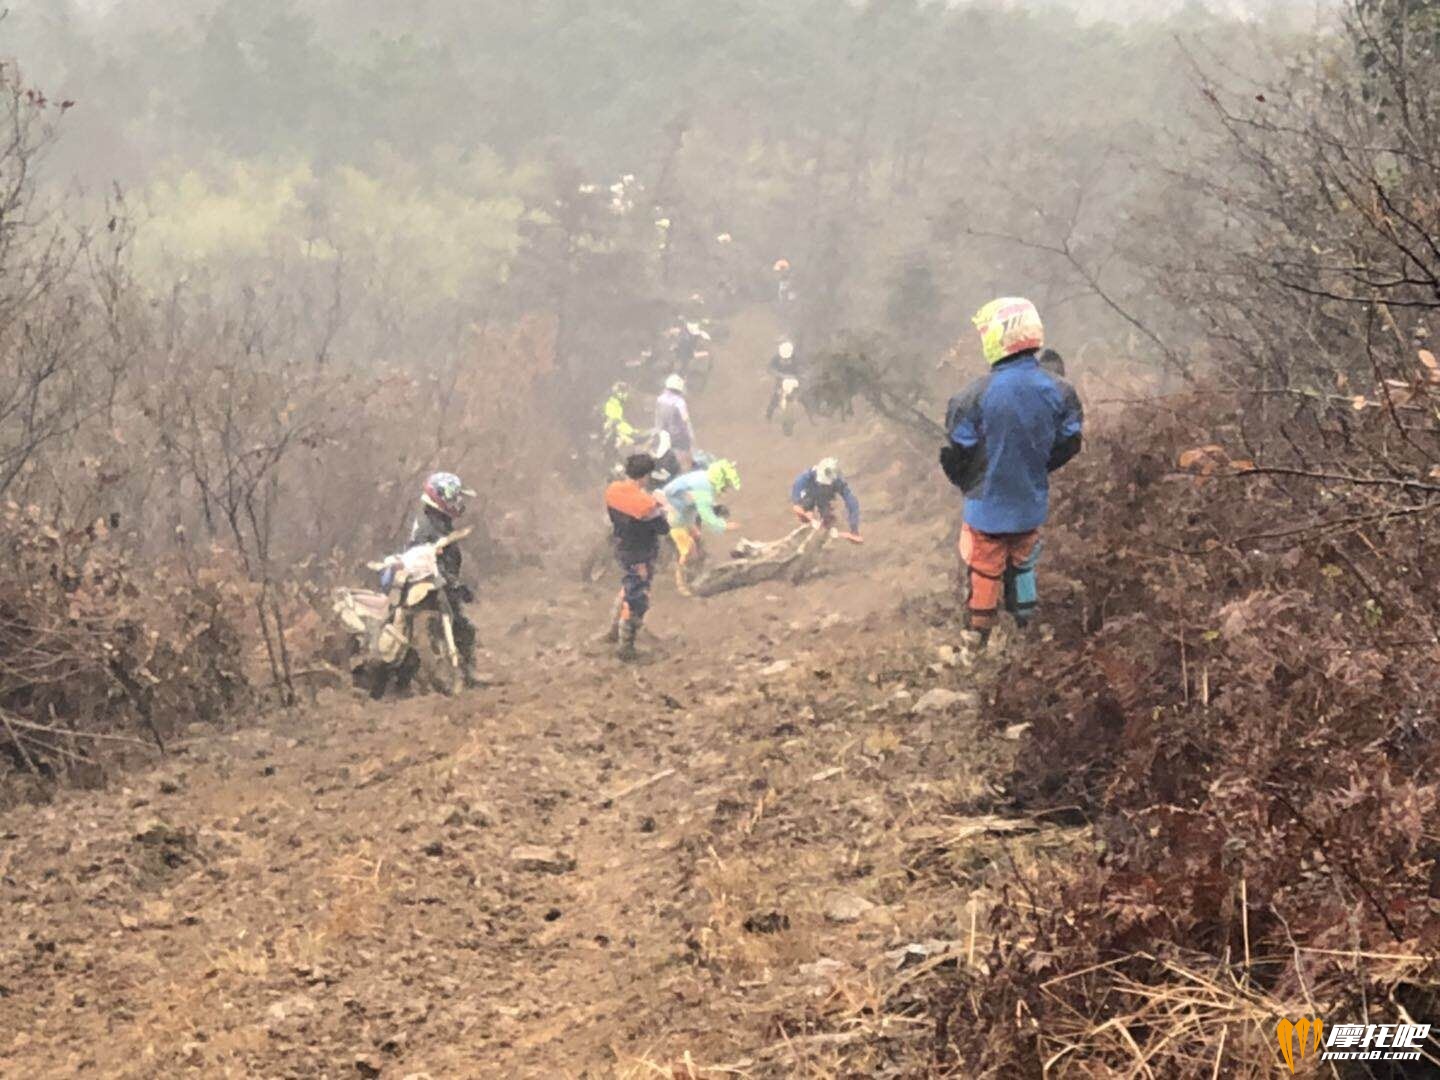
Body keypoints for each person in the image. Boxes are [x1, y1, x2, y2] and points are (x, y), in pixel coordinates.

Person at [940, 297, 1083, 641]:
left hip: (986, 500)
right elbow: (1070, 440)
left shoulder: (973, 395)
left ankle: (978, 635)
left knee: (984, 565)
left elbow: (958, 448)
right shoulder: (1060, 390)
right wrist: (1037, 468)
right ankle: (1025, 627)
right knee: (1023, 559)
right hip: (1031, 498)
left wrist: (968, 480)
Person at [408, 471, 480, 682]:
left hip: (440, 582)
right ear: (442, 497)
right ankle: (461, 674)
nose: (458, 502)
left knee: (464, 628)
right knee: (461, 628)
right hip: (430, 584)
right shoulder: (427, 527)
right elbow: (426, 559)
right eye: (454, 497)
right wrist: (452, 583)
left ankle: (466, 672)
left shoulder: (436, 520)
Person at [603, 453, 672, 661]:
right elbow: (662, 528)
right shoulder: (645, 504)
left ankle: (613, 631)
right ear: (645, 476)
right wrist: (660, 506)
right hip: (641, 552)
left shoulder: (612, 490)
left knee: (628, 586)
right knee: (637, 596)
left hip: (622, 547)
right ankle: (626, 646)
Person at [662, 457, 741, 595]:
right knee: (686, 549)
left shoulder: (703, 478)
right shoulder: (703, 490)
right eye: (726, 484)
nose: (726, 488)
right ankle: (681, 581)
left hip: (684, 514)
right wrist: (724, 526)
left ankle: (698, 564)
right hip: (676, 518)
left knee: (696, 537)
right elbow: (707, 517)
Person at [790, 457, 863, 541]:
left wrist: (854, 530)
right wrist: (808, 517)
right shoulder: (804, 478)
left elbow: (852, 502)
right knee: (804, 514)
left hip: (825, 497)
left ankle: (826, 531)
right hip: (809, 494)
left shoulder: (837, 481)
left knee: (828, 520)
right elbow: (796, 505)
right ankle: (808, 519)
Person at [654, 373, 697, 472]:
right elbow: (686, 420)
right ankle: (691, 465)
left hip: (662, 431)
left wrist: (658, 429)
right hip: (677, 434)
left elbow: (657, 416)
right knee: (686, 447)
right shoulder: (679, 402)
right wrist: (691, 435)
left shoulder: (660, 399)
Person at [766, 339, 803, 421]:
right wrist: (779, 374)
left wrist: (800, 375)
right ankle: (769, 414)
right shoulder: (776, 358)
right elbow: (770, 368)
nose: (785, 360)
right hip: (781, 380)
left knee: (803, 395)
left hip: (794, 380)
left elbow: (802, 368)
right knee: (775, 396)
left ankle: (810, 413)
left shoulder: (796, 358)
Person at [601, 381, 638, 454]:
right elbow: (617, 422)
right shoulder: (612, 404)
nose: (627, 396)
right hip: (615, 434)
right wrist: (630, 431)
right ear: (619, 393)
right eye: (625, 393)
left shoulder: (616, 403)